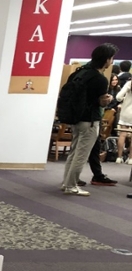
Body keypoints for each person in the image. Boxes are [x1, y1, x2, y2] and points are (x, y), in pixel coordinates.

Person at [61, 43, 118, 197]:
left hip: (76, 118)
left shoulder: (80, 73)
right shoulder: (99, 79)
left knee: (74, 152)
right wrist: (108, 99)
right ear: (106, 60)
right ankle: (71, 185)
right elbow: (100, 102)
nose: (111, 61)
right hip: (90, 120)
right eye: (111, 58)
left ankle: (66, 182)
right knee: (81, 154)